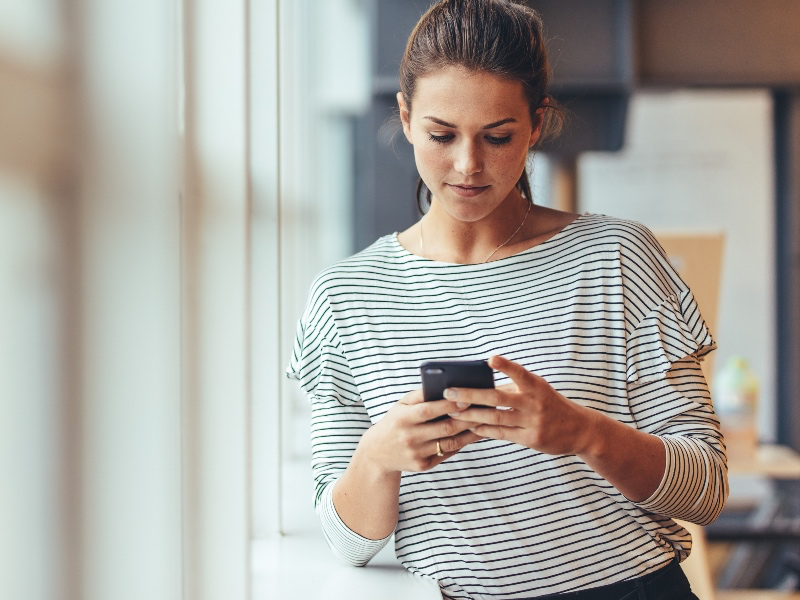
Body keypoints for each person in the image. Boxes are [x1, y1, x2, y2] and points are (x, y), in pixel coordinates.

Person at [287, 0, 728, 598]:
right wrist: (378, 456)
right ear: (406, 116)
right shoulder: (346, 297)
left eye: (498, 137)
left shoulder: (616, 257)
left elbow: (706, 488)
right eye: (441, 135)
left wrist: (584, 433)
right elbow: (349, 544)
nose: (468, 166)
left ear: (537, 122)